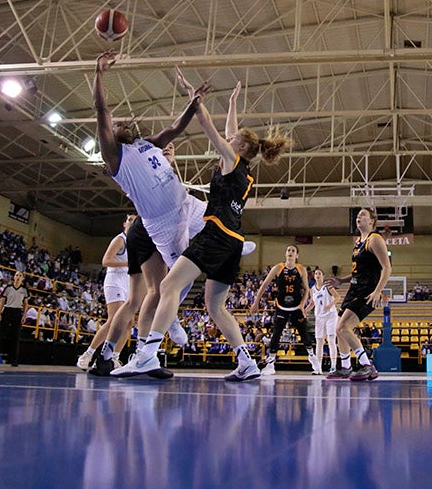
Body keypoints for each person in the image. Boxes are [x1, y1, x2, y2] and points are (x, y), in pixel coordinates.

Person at [113, 77, 291, 381]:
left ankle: (146, 354)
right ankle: (247, 362)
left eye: (234, 138)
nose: (230, 137)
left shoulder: (231, 159)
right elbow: (230, 133)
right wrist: (233, 103)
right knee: (216, 307)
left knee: (168, 287)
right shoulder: (245, 169)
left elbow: (210, 127)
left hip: (215, 235)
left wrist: (194, 99)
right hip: (233, 242)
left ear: (242, 146)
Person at [86, 52, 214, 377]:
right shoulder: (115, 156)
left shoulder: (145, 144)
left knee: (156, 292)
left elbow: (175, 127)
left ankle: (145, 355)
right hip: (146, 229)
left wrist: (194, 103)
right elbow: (101, 111)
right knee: (140, 298)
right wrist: (99, 73)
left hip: (163, 220)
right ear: (110, 137)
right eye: (117, 126)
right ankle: (107, 354)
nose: (122, 124)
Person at [325, 207, 392, 381]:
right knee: (338, 330)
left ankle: (367, 365)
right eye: (358, 215)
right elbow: (358, 273)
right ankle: (346, 367)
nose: (359, 217)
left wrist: (378, 291)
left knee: (342, 328)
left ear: (372, 221)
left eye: (363, 215)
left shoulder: (375, 239)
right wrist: (341, 281)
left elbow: (387, 268)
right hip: (354, 289)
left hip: (367, 291)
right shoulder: (358, 242)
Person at [250, 244, 320, 375]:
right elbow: (264, 285)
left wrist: (303, 304)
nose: (290, 252)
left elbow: (306, 290)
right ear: (285, 254)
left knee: (304, 333)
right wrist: (256, 302)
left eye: (293, 251)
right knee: (276, 334)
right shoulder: (278, 268)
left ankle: (314, 360)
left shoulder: (301, 269)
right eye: (288, 250)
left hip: (296, 306)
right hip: (281, 306)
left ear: (297, 255)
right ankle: (270, 365)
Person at [77, 213, 135, 370]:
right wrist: (130, 263)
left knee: (129, 323)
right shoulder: (119, 240)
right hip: (114, 280)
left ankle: (114, 358)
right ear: (125, 223)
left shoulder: (136, 242)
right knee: (114, 320)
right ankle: (88, 353)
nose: (131, 223)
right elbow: (106, 261)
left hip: (128, 282)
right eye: (129, 220)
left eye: (135, 221)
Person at [0, 271, 28, 366]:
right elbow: (2, 301)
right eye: (17, 275)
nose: (18, 277)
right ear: (14, 277)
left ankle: (14, 361)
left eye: (20, 276)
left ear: (22, 278)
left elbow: (26, 304)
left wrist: (24, 315)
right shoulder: (8, 288)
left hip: (17, 312)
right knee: (0, 336)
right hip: (7, 311)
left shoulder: (24, 290)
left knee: (15, 337)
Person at [306, 267, 339, 375]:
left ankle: (333, 366)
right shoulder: (312, 289)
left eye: (319, 273)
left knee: (331, 340)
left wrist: (330, 305)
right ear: (314, 276)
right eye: (316, 273)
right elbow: (312, 303)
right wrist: (305, 311)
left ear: (323, 276)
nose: (317, 275)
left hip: (330, 315)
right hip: (319, 317)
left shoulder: (327, 287)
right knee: (319, 342)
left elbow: (337, 297)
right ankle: (318, 367)